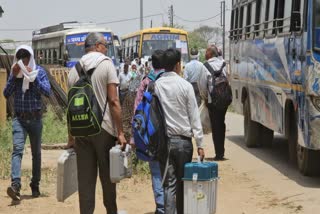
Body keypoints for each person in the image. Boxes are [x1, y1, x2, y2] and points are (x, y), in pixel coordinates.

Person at [67, 32, 127, 214]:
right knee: (108, 179)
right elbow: (114, 101)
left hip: (81, 131)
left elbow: (70, 107)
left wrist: (71, 137)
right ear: (98, 45)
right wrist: (121, 133)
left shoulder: (73, 70)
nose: (106, 49)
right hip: (104, 130)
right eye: (105, 45)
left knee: (85, 182)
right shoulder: (106, 64)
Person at [155, 48, 205, 214]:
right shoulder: (185, 86)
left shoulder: (157, 85)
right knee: (184, 183)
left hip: (165, 143)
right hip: (184, 143)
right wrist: (200, 143)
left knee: (169, 185)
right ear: (178, 65)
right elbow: (194, 116)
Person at [3, 45, 51, 201]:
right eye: (20, 58)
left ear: (30, 58)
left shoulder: (40, 72)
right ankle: (15, 185)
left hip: (36, 119)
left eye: (26, 58)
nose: (23, 61)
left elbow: (47, 91)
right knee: (17, 150)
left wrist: (33, 78)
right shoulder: (15, 74)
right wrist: (13, 75)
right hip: (20, 119)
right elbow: (6, 93)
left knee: (36, 154)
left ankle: (35, 184)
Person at [132, 49, 166, 214]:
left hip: (151, 135)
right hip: (169, 134)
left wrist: (137, 138)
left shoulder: (146, 82)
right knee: (170, 171)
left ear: (152, 64)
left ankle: (160, 207)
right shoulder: (169, 80)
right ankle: (171, 206)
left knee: (156, 173)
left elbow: (136, 111)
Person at [205, 45, 228, 161]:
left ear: (210, 54)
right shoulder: (224, 64)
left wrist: (204, 98)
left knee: (215, 126)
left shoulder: (205, 66)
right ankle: (221, 151)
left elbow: (202, 84)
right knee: (221, 123)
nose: (205, 53)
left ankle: (218, 153)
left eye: (206, 51)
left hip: (212, 101)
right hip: (224, 99)